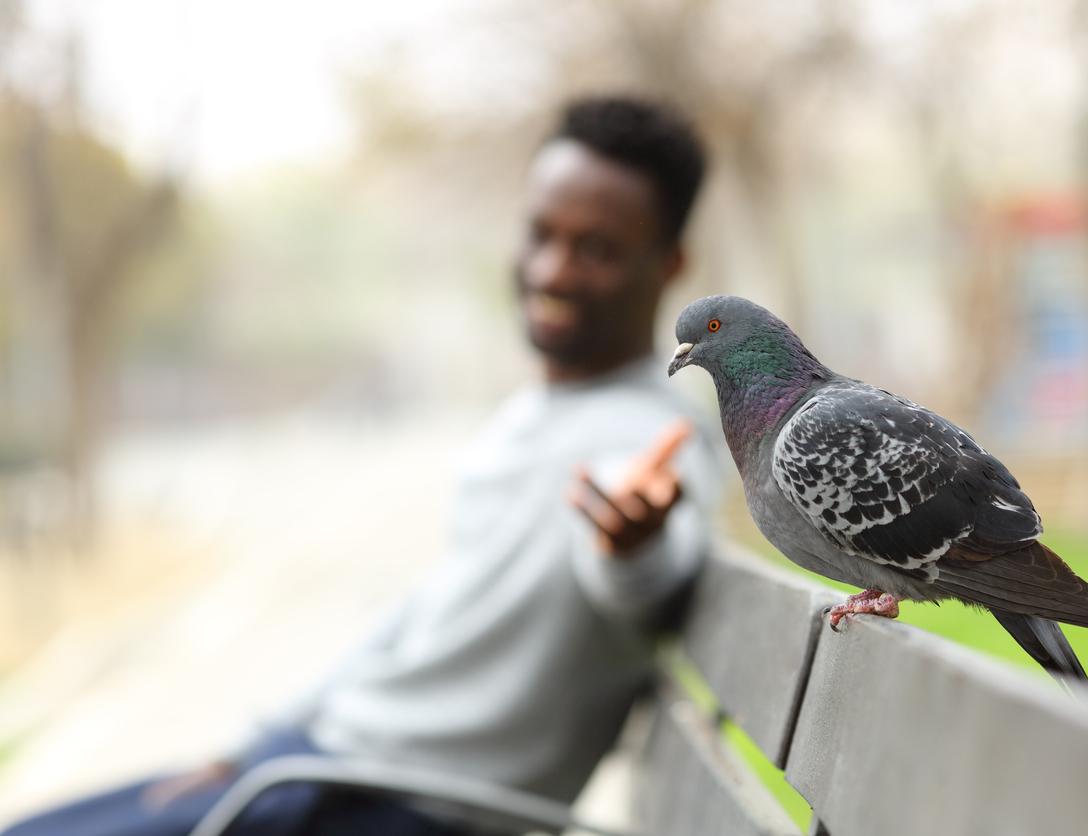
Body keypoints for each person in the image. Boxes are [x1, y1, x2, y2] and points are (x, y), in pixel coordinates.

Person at [2, 95, 718, 835]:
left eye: (596, 249)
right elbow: (421, 618)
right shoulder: (536, 417)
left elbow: (644, 570)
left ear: (669, 264)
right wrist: (255, 743)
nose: (551, 270)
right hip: (318, 767)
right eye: (540, 234)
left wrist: (631, 546)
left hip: (384, 806)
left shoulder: (654, 437)